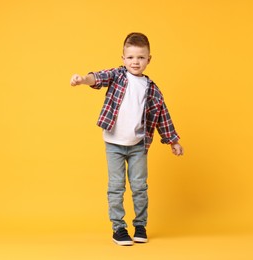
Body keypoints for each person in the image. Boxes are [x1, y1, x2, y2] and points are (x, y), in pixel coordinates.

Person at [70, 32, 184, 246]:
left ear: (149, 59)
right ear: (123, 58)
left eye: (140, 57)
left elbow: (162, 117)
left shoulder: (152, 90)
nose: (135, 62)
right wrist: (83, 80)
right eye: (130, 57)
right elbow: (98, 77)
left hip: (138, 145)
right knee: (116, 186)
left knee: (140, 186)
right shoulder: (118, 75)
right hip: (114, 143)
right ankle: (119, 228)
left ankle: (140, 225)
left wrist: (173, 141)